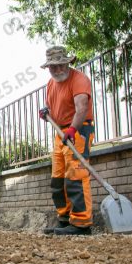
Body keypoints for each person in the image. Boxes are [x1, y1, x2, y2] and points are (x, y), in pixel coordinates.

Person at [39, 46, 95, 236]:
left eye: (61, 65)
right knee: (58, 178)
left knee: (76, 175)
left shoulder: (79, 79)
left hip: (78, 129)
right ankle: (64, 219)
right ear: (49, 68)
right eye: (53, 67)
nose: (58, 70)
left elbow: (81, 108)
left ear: (67, 63)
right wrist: (46, 112)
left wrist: (72, 129)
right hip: (60, 132)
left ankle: (81, 223)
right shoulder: (50, 84)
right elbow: (52, 105)